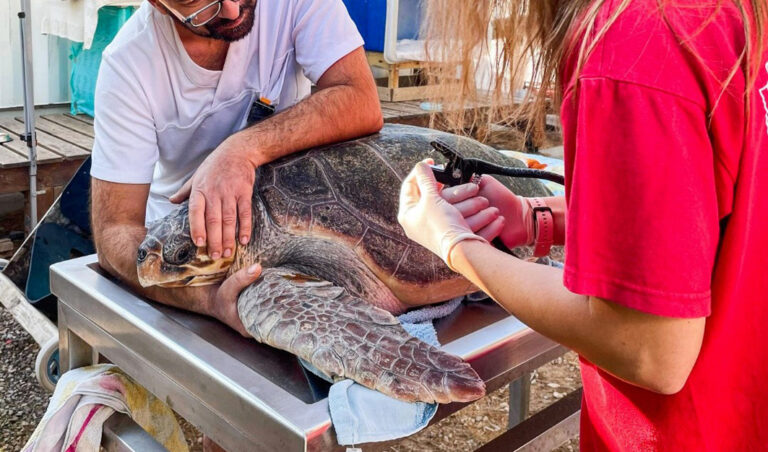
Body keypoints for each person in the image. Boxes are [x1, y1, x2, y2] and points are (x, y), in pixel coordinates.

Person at [398, 0, 767, 449]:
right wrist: (536, 219)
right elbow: (707, 208)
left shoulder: (632, 43)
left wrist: (454, 244)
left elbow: (651, 350)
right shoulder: (722, 13)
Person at [89, 0, 381, 336]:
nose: (230, 10)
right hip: (185, 254)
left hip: (294, 230)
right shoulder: (129, 64)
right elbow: (115, 230)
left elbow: (360, 98)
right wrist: (207, 299)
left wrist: (242, 150)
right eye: (200, 6)